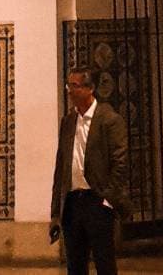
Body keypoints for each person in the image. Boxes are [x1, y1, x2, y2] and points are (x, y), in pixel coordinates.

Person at [49, 67, 130, 275]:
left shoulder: (109, 120)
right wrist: (56, 212)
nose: (70, 91)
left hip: (97, 201)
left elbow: (120, 163)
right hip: (73, 203)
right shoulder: (68, 122)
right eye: (69, 86)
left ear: (90, 88)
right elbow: (61, 167)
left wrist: (107, 199)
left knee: (104, 263)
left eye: (75, 86)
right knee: (75, 265)